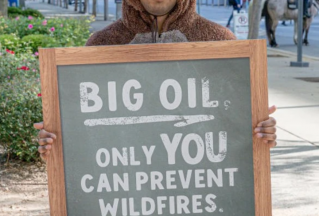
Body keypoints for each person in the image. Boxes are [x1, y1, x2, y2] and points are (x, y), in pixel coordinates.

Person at [34, 0, 278, 161]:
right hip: (127, 188)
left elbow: (233, 127)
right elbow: (85, 131)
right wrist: (58, 143)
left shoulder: (221, 42)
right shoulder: (102, 44)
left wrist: (258, 131)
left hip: (200, 190)